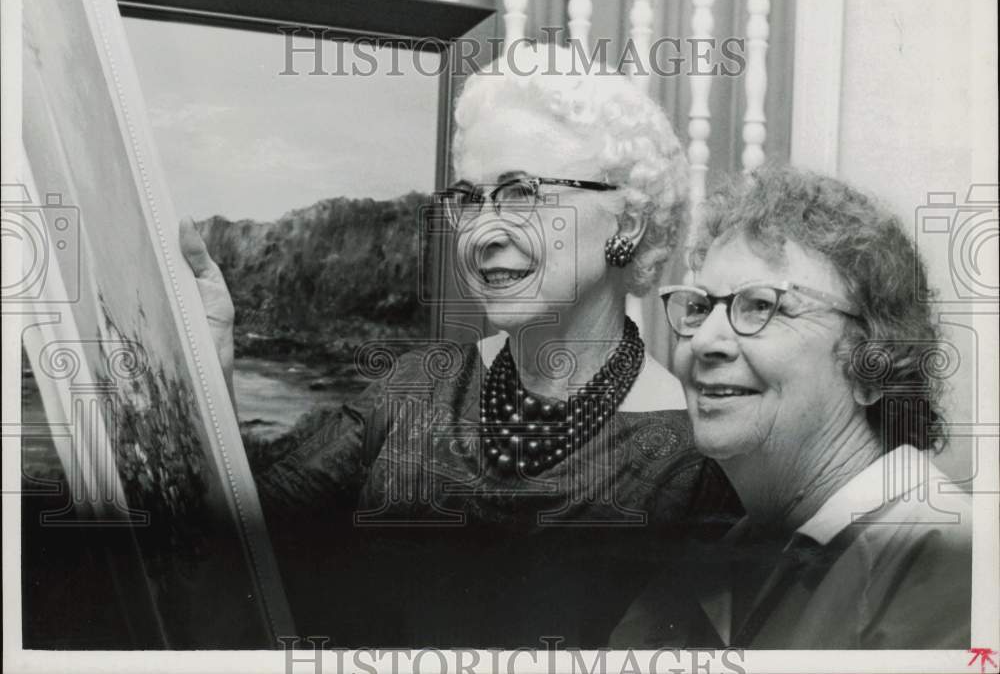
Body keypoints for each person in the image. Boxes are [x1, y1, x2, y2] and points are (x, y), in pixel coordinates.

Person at [180, 43, 739, 648]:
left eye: (523, 192)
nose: (483, 231)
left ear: (626, 224)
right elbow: (246, 528)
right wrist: (212, 364)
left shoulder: (696, 463)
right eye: (469, 199)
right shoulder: (420, 387)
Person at [612, 165, 972, 649]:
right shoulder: (701, 568)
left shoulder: (948, 561)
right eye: (699, 307)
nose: (704, 341)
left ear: (871, 364)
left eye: (761, 306)